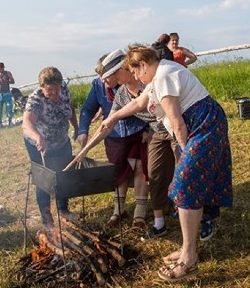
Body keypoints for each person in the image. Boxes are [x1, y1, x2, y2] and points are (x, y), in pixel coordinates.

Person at [101, 46, 233, 283]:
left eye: (135, 71)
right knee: (186, 185)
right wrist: (113, 116)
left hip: (204, 125)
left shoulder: (163, 75)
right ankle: (186, 249)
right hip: (200, 124)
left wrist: (182, 155)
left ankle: (189, 259)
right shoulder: (156, 78)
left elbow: (177, 122)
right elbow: (140, 102)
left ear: (143, 65)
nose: (136, 78)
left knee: (185, 184)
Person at [72, 48, 174, 239]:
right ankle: (159, 219)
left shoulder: (149, 81)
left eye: (108, 76)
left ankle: (191, 209)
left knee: (167, 172)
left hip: (172, 129)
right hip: (154, 134)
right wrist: (85, 149)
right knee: (152, 173)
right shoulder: (120, 94)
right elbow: (107, 124)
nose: (105, 82)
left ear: (119, 71)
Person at [76, 50, 148, 228]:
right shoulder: (99, 86)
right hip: (114, 135)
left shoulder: (131, 82)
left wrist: (148, 129)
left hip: (139, 131)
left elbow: (148, 108)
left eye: (105, 75)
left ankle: (140, 212)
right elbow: (87, 109)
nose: (103, 80)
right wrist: (83, 130)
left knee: (140, 167)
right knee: (118, 171)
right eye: (100, 76)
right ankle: (119, 210)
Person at [21, 67, 80, 227]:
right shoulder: (36, 100)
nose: (54, 94)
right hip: (39, 145)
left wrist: (76, 128)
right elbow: (26, 124)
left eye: (56, 89)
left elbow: (71, 108)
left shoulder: (64, 90)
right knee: (44, 179)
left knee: (63, 174)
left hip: (61, 140)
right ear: (41, 87)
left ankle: (63, 210)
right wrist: (38, 137)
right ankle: (47, 219)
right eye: (50, 91)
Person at [0, 62, 15, 127]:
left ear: (4, 67)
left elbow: (13, 81)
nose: (1, 69)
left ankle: (10, 122)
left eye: (2, 68)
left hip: (7, 93)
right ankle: (0, 123)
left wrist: (7, 81)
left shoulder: (7, 73)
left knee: (9, 107)